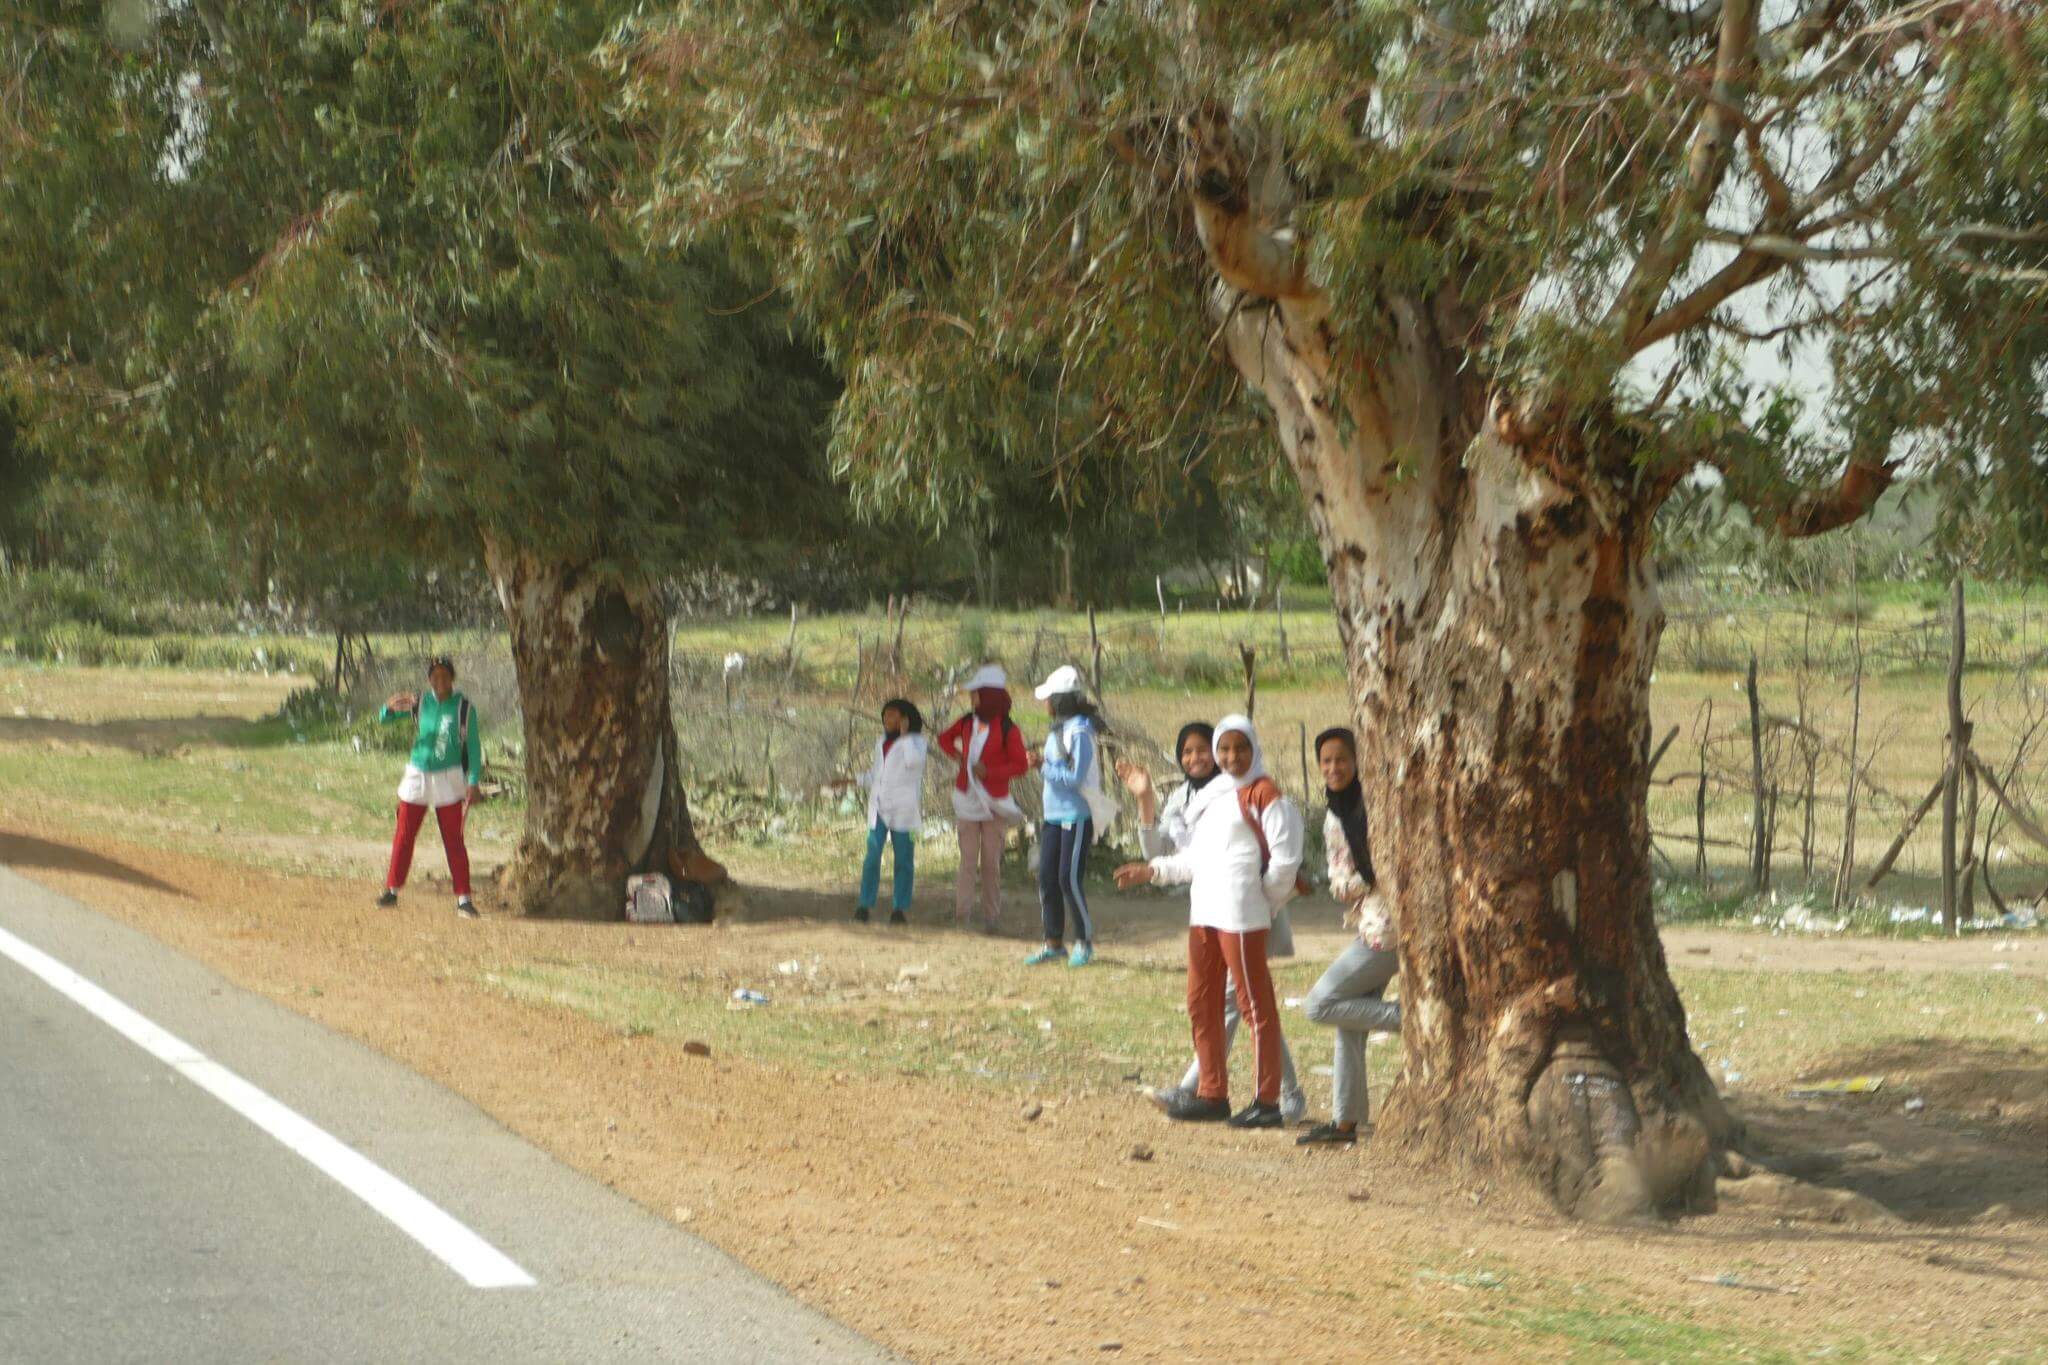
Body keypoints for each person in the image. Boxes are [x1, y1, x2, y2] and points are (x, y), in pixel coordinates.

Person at [1115, 714, 1303, 1129]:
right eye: (1225, 749)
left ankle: (1267, 1101)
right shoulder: (1214, 796)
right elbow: (1195, 858)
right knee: (1202, 1002)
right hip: (1205, 911)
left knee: (1255, 1006)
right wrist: (1152, 871)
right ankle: (1212, 1092)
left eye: (1240, 748)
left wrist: (1262, 900)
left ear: (1254, 749)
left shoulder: (1265, 794)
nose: (1232, 757)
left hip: (1240, 915)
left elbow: (1286, 860)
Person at [1296, 727, 1402, 1146]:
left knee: (1320, 1004)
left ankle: (1411, 1019)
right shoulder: (1336, 815)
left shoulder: (1377, 804)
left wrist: (1357, 882)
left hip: (1386, 933)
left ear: (1359, 761)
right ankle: (1345, 1123)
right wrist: (1361, 880)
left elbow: (1365, 876)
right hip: (1372, 923)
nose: (1333, 767)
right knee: (1349, 1019)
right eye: (1325, 761)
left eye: (1341, 759)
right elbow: (1345, 883)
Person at [376, 657, 483, 918]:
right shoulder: (420, 702)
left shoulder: (464, 708)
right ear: (429, 679)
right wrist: (388, 708)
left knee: (454, 840)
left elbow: (473, 746)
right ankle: (392, 890)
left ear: (452, 678)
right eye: (435, 676)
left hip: (449, 778)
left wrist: (473, 781)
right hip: (418, 775)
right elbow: (385, 720)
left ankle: (464, 899)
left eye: (444, 676)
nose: (440, 681)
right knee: (404, 834)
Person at [935, 665, 1030, 932]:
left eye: (975, 694)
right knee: (967, 861)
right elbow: (944, 739)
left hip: (994, 802)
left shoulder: (1009, 728)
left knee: (990, 863)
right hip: (967, 798)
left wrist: (990, 772)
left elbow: (1020, 765)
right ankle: (961, 916)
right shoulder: (967, 721)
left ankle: (991, 917)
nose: (971, 698)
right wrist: (960, 758)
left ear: (987, 696)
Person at [1025, 665, 1105, 968]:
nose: (1045, 703)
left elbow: (1074, 777)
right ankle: (1053, 943)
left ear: (1059, 701)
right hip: (1053, 815)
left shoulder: (1080, 731)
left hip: (1076, 815)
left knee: (1068, 879)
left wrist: (1042, 767)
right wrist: (1043, 765)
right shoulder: (1058, 729)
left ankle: (1084, 941)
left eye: (1048, 698)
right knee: (1047, 878)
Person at [856, 699, 928, 925]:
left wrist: (905, 737)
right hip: (879, 806)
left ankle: (900, 908)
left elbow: (913, 763)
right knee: (872, 855)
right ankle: (864, 904)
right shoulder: (882, 741)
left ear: (905, 719)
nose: (887, 719)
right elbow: (877, 774)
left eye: (893, 715)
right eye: (885, 715)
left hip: (904, 809)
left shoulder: (917, 742)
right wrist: (854, 780)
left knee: (904, 860)